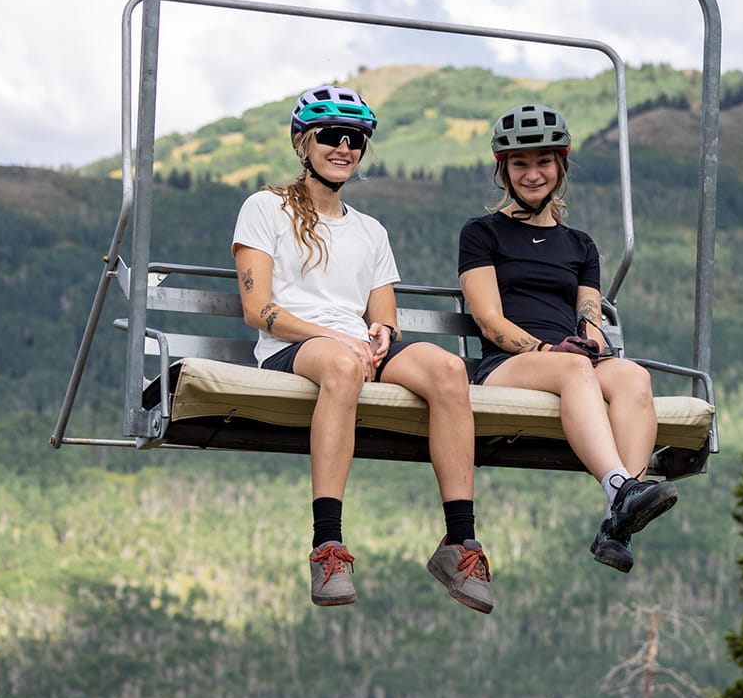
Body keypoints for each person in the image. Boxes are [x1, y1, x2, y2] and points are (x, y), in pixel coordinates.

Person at [232, 85, 493, 613]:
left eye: (355, 139)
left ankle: (459, 542)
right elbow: (258, 310)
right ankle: (327, 544)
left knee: (446, 370)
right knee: (343, 363)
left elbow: (383, 312)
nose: (343, 147)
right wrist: (337, 339)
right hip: (296, 347)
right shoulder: (265, 207)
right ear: (302, 143)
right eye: (330, 135)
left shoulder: (371, 230)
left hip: (354, 345)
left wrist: (381, 334)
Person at [457, 103, 677, 573]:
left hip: (568, 361)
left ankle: (616, 523)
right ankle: (620, 488)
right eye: (520, 164)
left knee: (633, 376)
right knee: (574, 367)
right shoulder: (482, 233)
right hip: (508, 365)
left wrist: (591, 340)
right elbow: (489, 320)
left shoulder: (580, 245)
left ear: (560, 165)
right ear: (504, 170)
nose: (532, 174)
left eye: (543, 162)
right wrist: (546, 350)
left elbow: (589, 312)